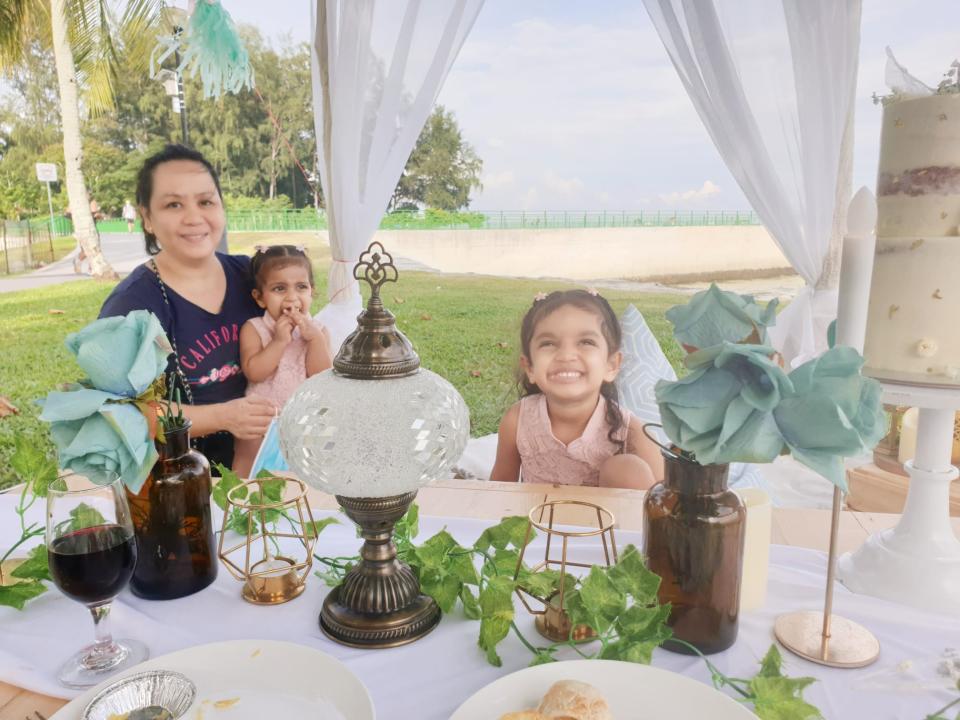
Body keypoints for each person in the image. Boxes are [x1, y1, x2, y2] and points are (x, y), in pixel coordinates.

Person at [99, 144, 275, 470]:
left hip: (266, 463)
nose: (194, 217)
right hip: (176, 479)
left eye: (206, 201)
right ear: (147, 218)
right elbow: (120, 413)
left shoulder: (253, 278)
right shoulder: (131, 306)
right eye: (173, 204)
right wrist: (222, 416)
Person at [490, 289, 663, 489]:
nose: (566, 355)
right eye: (548, 343)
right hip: (537, 518)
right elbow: (498, 491)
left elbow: (667, 504)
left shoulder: (632, 432)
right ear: (530, 367)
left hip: (608, 519)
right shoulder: (517, 420)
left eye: (586, 342)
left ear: (611, 365)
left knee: (626, 468)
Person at [232, 245, 333, 476]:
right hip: (264, 420)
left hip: (304, 420)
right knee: (251, 465)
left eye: (301, 287)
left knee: (304, 473)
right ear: (260, 298)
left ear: (312, 292)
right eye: (279, 288)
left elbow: (322, 377)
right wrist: (278, 342)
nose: (291, 298)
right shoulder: (255, 328)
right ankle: (243, 500)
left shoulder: (319, 331)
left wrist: (315, 340)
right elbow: (254, 372)